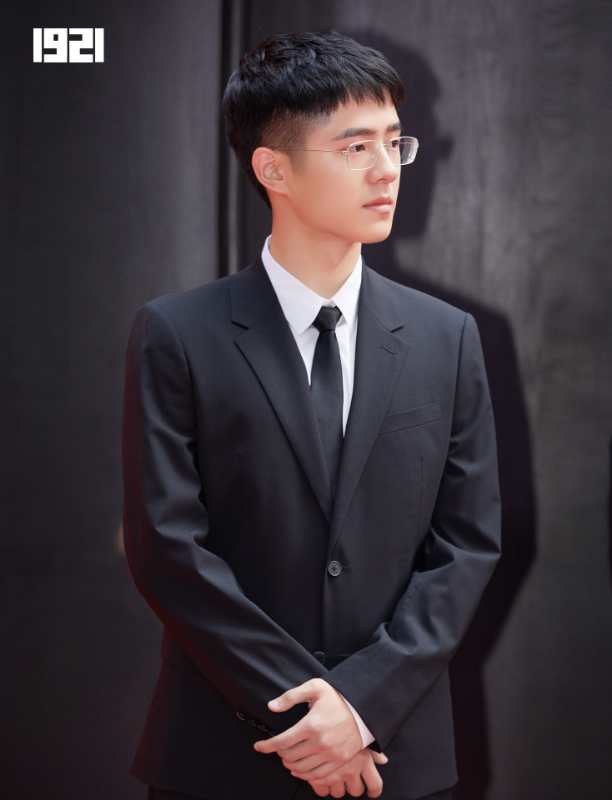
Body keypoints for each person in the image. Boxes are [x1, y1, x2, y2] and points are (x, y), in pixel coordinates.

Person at [121, 30, 501, 800]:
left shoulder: (448, 337)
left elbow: (467, 544)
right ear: (274, 168)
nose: (387, 169)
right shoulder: (178, 334)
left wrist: (360, 707)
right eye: (356, 147)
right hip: (222, 752)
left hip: (395, 756)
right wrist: (309, 714)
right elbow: (167, 549)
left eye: (395, 141)